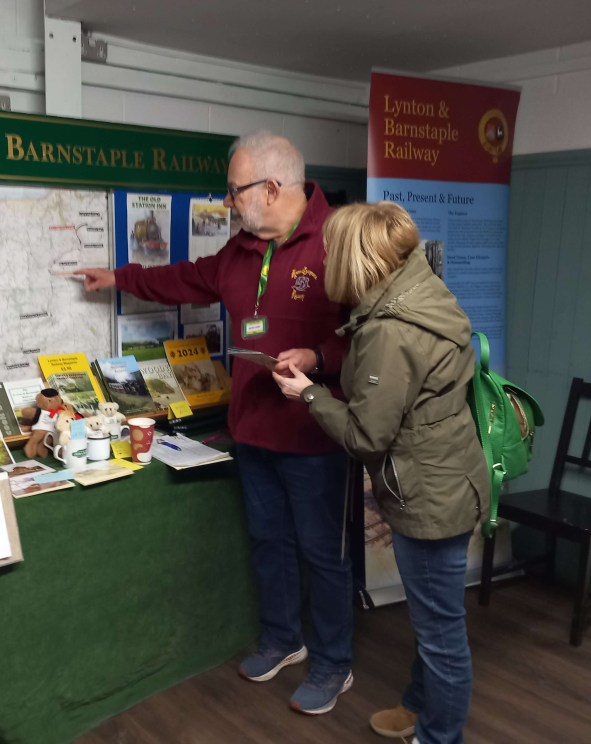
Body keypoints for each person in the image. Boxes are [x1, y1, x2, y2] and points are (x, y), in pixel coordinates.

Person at [78, 131, 355, 715]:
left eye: (234, 192)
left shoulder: (339, 241)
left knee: (320, 552)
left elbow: (370, 338)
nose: (227, 203)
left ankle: (335, 662)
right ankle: (284, 638)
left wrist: (318, 358)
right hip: (252, 429)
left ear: (273, 188)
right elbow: (183, 278)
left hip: (313, 434)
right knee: (267, 541)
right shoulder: (238, 251)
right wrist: (119, 278)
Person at [273, 201, 490, 744]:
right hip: (451, 476)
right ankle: (420, 708)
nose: (324, 260)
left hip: (430, 497)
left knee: (441, 633)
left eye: (331, 251)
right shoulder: (420, 289)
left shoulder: (390, 331)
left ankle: (439, 737)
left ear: (356, 258)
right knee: (433, 622)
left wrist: (309, 394)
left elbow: (365, 434)